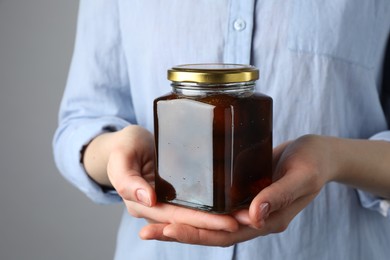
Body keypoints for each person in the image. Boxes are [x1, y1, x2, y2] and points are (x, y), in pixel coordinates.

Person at [53, 0, 390, 259]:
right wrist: (115, 153)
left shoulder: (252, 101)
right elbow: (81, 122)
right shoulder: (173, 101)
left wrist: (334, 158)